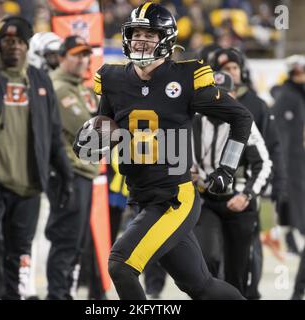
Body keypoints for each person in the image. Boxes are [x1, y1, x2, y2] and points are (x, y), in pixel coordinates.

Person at [74, 2, 253, 300]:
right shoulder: (113, 80)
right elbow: (107, 135)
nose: (141, 40)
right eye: (136, 33)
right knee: (201, 287)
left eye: (150, 33)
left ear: (166, 39)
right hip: (141, 198)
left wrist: (227, 168)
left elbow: (240, 117)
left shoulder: (186, 77)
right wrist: (89, 146)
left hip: (173, 198)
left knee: (121, 264)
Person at [0, 16, 73, 300]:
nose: (14, 46)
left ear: (26, 46)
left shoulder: (39, 79)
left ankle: (9, 295)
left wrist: (65, 174)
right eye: (8, 41)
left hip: (28, 186)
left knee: (18, 252)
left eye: (19, 42)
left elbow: (53, 133)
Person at [211, 47, 288, 299]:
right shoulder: (207, 104)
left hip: (249, 186)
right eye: (225, 69)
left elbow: (271, 148)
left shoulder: (257, 104)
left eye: (233, 68)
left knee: (250, 247)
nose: (230, 72)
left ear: (241, 70)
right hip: (215, 189)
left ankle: (250, 293)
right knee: (216, 252)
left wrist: (277, 183)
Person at [192, 71, 272, 295]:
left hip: (238, 203)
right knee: (208, 259)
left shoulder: (244, 122)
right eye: (212, 95)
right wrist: (186, 173)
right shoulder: (193, 122)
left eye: (223, 95)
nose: (217, 101)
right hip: (207, 200)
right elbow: (178, 159)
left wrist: (246, 195)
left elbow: (264, 164)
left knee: (237, 271)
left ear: (233, 96)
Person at [45, 35, 100, 300]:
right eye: (76, 54)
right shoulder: (59, 88)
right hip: (69, 173)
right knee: (66, 241)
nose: (83, 60)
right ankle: (57, 295)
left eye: (86, 54)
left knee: (75, 243)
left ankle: (63, 294)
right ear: (61, 57)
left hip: (82, 173)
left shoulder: (79, 87)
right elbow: (89, 129)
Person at [272, 55, 305, 300]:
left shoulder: (297, 96)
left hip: (299, 160)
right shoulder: (287, 98)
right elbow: (281, 136)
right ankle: (291, 236)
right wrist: (280, 164)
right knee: (293, 201)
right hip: (292, 162)